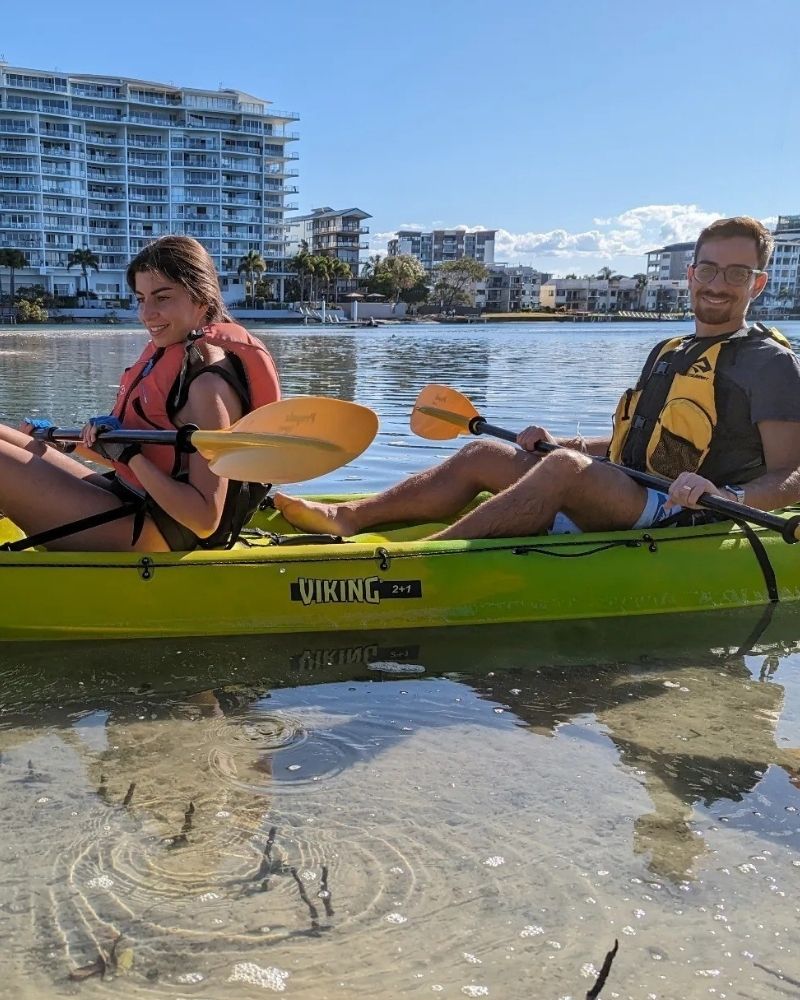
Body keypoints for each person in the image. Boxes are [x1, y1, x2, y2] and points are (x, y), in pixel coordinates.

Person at [276, 217, 800, 540]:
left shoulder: (771, 363)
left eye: (737, 274)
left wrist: (732, 497)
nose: (717, 284)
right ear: (691, 273)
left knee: (566, 470)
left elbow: (790, 476)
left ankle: (426, 560)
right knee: (487, 454)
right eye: (708, 269)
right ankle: (349, 515)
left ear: (759, 283)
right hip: (632, 488)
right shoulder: (672, 349)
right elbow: (637, 443)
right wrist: (565, 443)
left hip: (684, 514)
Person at [0, 236, 280, 551]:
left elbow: (205, 519)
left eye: (162, 298)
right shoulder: (173, 356)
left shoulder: (207, 386)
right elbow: (146, 453)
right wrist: (71, 444)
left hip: (157, 531)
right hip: (128, 497)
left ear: (201, 300)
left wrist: (131, 456)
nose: (146, 313)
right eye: (140, 298)